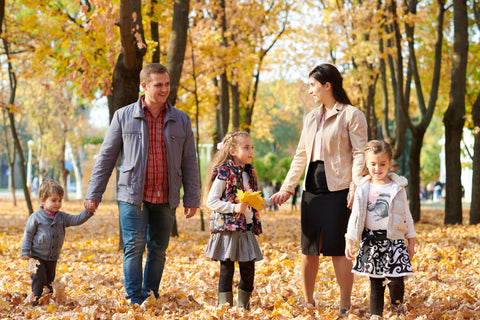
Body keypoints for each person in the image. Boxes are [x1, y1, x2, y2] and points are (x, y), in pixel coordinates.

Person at [84, 63, 201, 305]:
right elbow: (106, 157)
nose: (164, 89)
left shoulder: (181, 119)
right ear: (144, 86)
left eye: (167, 84)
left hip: (166, 196)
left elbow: (190, 161)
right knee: (134, 247)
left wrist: (191, 197)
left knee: (158, 249)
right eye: (159, 85)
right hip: (132, 195)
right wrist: (94, 193)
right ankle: (135, 298)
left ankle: (150, 294)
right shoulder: (123, 116)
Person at [271, 63, 368, 314]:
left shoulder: (351, 115)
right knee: (309, 248)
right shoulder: (311, 117)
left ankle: (345, 304)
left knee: (338, 249)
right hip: (311, 190)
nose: (310, 90)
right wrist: (287, 188)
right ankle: (308, 302)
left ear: (328, 86)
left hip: (339, 190)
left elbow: (360, 153)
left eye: (313, 85)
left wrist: (355, 185)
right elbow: (301, 155)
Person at [345, 140, 416, 319]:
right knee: (376, 283)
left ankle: (396, 308)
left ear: (390, 163)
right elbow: (355, 216)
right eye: (373, 164)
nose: (378, 168)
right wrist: (349, 240)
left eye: (382, 164)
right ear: (367, 165)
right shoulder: (363, 188)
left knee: (396, 280)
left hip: (394, 241)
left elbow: (406, 214)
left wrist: (411, 240)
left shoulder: (397, 187)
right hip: (372, 242)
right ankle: (376, 314)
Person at [204, 131, 264, 310]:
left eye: (252, 147)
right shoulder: (224, 171)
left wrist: (269, 201)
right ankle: (225, 307)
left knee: (248, 270)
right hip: (228, 229)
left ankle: (242, 307)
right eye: (246, 148)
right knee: (227, 269)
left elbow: (252, 200)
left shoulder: (249, 172)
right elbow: (211, 201)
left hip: (246, 228)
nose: (251, 151)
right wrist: (233, 208)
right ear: (232, 150)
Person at [21, 180, 93, 306]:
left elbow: (77, 219)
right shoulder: (36, 217)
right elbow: (28, 235)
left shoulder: (62, 217)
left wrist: (88, 212)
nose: (58, 204)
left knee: (49, 280)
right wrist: (25, 251)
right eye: (54, 200)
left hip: (52, 257)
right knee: (39, 278)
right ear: (43, 200)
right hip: (36, 256)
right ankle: (35, 301)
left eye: (60, 200)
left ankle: (47, 299)